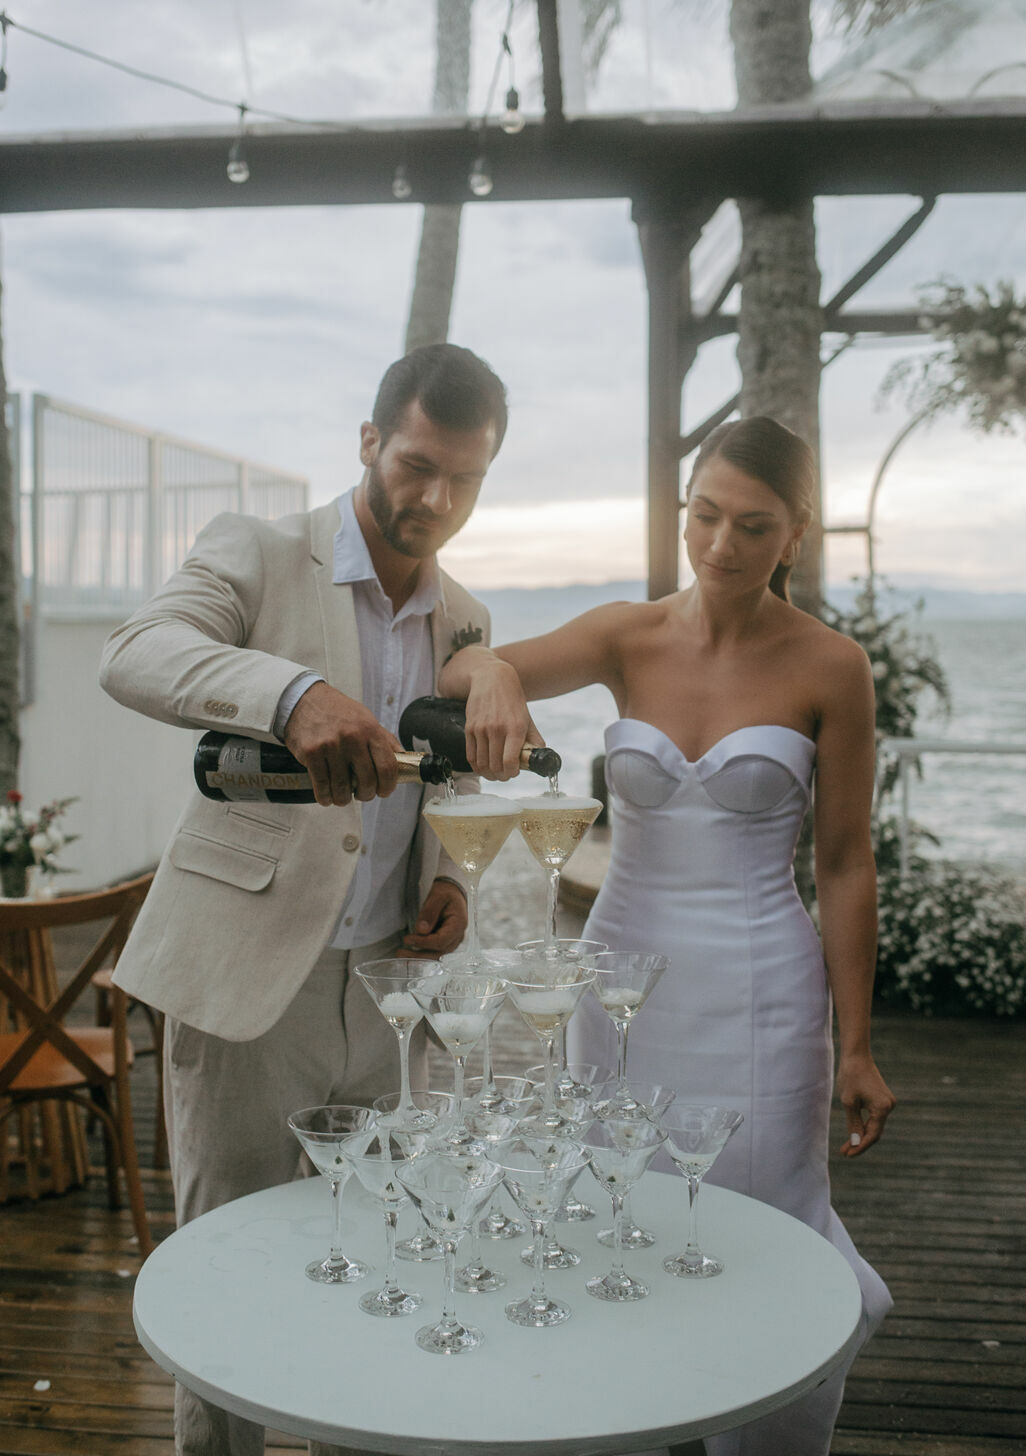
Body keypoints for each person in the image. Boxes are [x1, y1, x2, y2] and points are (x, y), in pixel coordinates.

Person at [440, 414, 895, 1456]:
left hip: (763, 989)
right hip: (619, 980)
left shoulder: (832, 667)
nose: (720, 544)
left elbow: (843, 862)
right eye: (703, 514)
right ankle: (632, 1418)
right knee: (617, 1210)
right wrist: (499, 676)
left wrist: (858, 1045)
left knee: (771, 1222)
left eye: (752, 525)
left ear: (796, 533)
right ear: (681, 508)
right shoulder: (622, 634)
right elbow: (463, 667)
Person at [99, 342, 508, 1456]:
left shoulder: (465, 617)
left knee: (370, 1261)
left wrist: (449, 880)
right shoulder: (260, 551)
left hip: (388, 994)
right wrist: (290, 694)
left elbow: (451, 778)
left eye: (463, 479)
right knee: (223, 1268)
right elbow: (136, 652)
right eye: (417, 464)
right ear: (369, 441)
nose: (433, 498)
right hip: (247, 982)